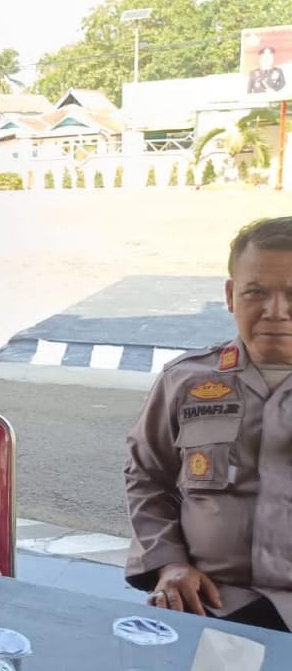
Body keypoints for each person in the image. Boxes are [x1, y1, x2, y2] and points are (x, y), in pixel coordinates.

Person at [125, 217, 292, 631]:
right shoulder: (186, 381)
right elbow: (147, 477)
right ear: (232, 296)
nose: (275, 312)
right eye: (256, 292)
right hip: (211, 602)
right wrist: (168, 562)